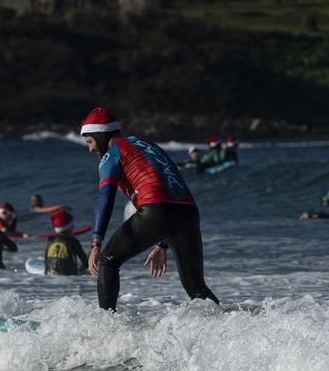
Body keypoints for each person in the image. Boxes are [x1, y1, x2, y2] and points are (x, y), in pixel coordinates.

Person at [80, 106, 219, 311]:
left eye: (90, 141)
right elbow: (170, 186)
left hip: (156, 210)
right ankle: (231, 327)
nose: (90, 148)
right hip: (188, 213)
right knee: (196, 287)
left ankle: (106, 326)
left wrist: (96, 242)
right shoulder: (148, 145)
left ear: (101, 135)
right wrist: (163, 243)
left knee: (108, 262)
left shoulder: (111, 155)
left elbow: (105, 197)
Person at [44, 210, 88, 276]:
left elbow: (46, 260)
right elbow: (85, 263)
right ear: (69, 228)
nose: (74, 227)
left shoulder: (49, 240)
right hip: (69, 277)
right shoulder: (74, 241)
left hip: (50, 274)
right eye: (72, 226)